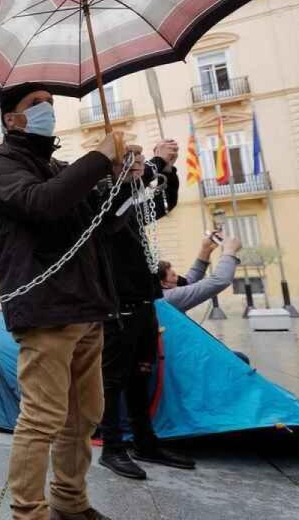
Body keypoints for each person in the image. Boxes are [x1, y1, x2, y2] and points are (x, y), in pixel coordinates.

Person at [0, 83, 144, 520]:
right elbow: (43, 204)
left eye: (51, 103)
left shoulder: (57, 165)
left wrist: (122, 181)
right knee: (42, 417)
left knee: (86, 414)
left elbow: (101, 223)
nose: (47, 110)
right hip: (46, 309)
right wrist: (97, 159)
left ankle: (70, 501)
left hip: (86, 306)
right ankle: (29, 511)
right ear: (12, 119)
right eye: (36, 104)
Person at [98, 139, 193, 481]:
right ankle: (112, 448)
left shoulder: (135, 201)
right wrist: (153, 163)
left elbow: (165, 202)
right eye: (130, 159)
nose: (137, 165)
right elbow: (116, 211)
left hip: (143, 302)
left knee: (141, 373)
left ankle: (144, 441)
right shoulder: (105, 198)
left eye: (139, 159)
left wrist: (169, 169)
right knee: (112, 380)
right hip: (116, 307)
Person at [160, 235, 242, 312]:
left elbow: (188, 281)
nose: (178, 278)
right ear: (163, 284)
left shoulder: (160, 292)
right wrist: (230, 251)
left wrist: (205, 250)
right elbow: (220, 280)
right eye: (173, 276)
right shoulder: (168, 297)